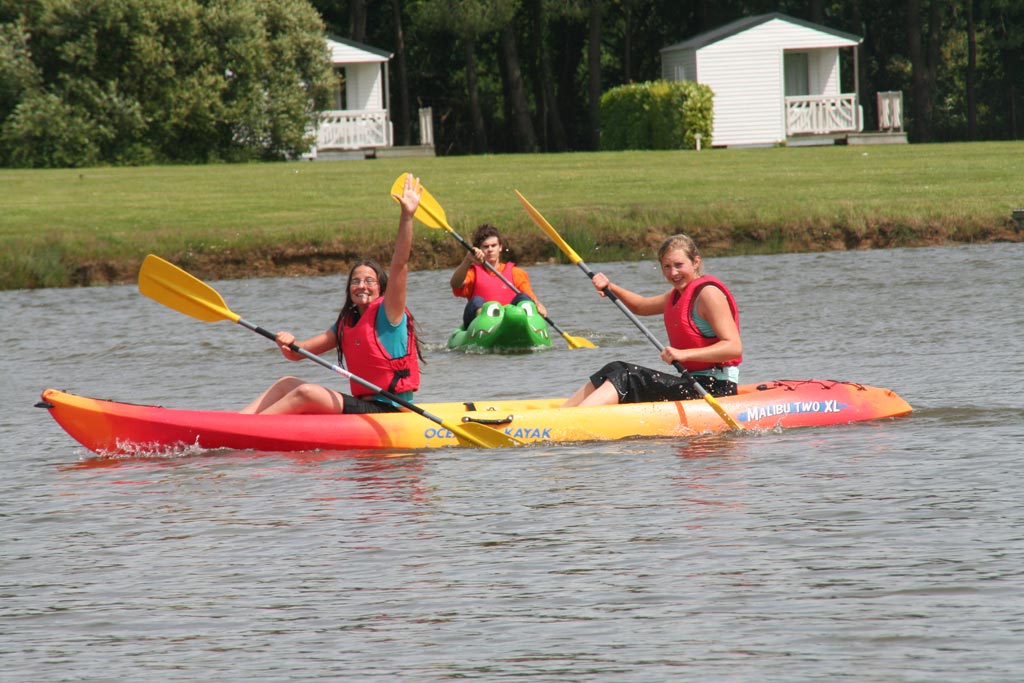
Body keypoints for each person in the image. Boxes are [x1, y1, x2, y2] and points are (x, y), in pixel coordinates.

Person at [241, 173, 425, 415]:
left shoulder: (389, 312)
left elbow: (400, 264)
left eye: (369, 281)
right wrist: (286, 342)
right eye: (356, 281)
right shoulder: (346, 324)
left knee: (306, 392)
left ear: (381, 288)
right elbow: (297, 353)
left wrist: (407, 217)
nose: (362, 286)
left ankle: (246, 430)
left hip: (392, 410)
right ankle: (236, 422)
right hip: (364, 407)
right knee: (286, 383)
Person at [561, 234, 742, 408]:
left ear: (696, 262)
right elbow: (641, 306)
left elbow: (733, 347)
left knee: (626, 375)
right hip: (693, 384)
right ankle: (562, 414)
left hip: (715, 389)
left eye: (679, 265)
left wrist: (684, 354)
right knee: (613, 368)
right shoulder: (678, 295)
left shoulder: (708, 294)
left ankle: (573, 420)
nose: (673, 273)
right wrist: (611, 288)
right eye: (667, 267)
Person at [449, 223, 548, 330]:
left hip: (509, 321)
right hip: (481, 326)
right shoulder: (472, 273)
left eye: (493, 245)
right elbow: (455, 284)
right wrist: (467, 260)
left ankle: (524, 326)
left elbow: (529, 296)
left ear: (500, 247)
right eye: (485, 247)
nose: (490, 250)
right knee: (476, 301)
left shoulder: (517, 273)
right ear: (479, 249)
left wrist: (537, 305)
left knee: (524, 298)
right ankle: (487, 325)